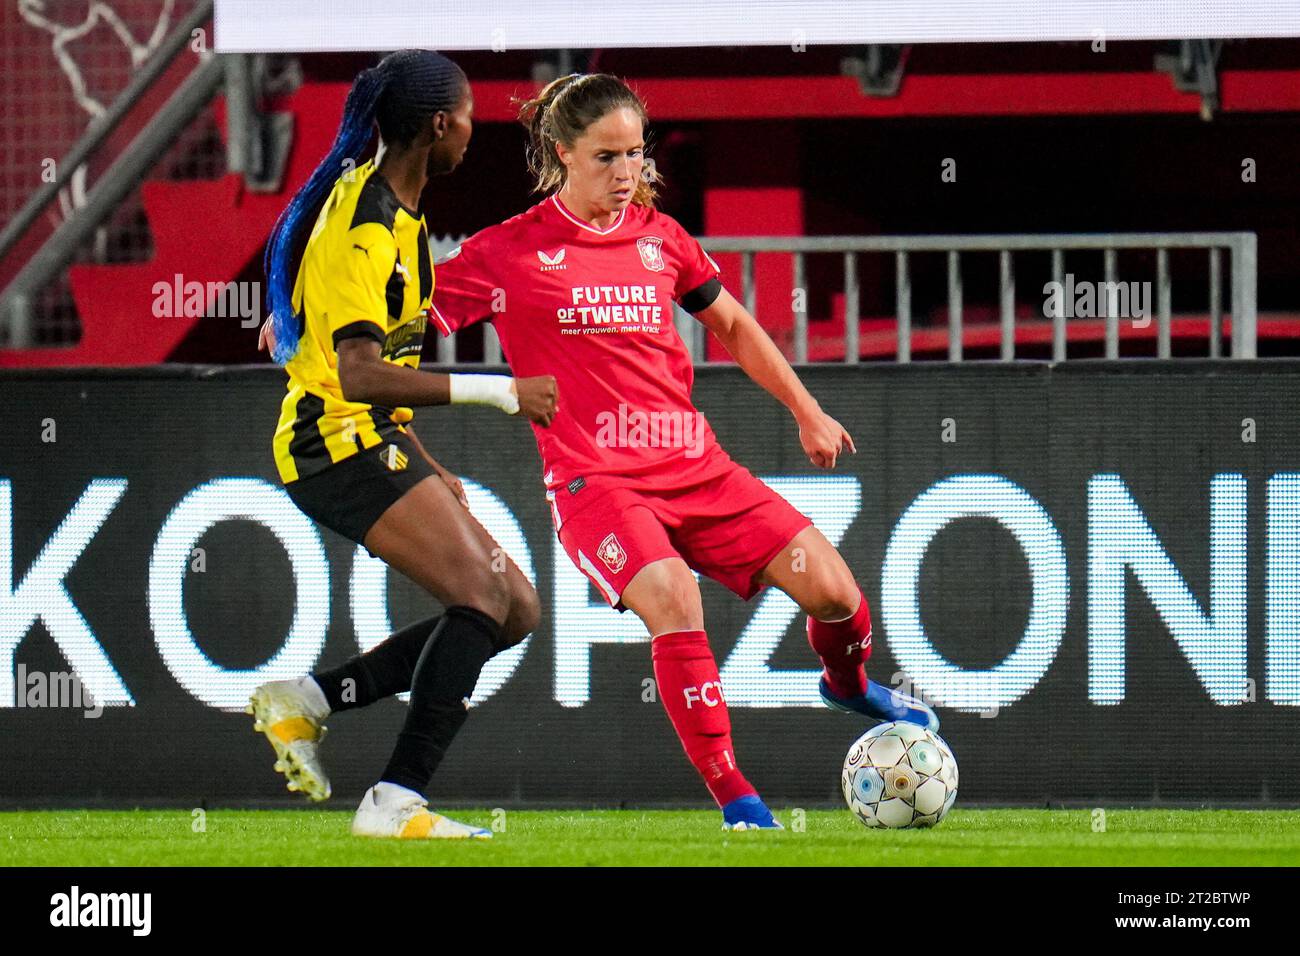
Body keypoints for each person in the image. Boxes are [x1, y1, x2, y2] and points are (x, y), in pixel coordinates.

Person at [429, 73, 938, 831]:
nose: (626, 171)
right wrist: (308, 324)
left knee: (835, 594)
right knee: (674, 600)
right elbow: (399, 317)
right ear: (563, 152)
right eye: (607, 157)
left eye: (636, 153)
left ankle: (848, 682)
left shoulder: (660, 238)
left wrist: (808, 410)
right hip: (594, 482)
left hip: (698, 471)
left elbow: (733, 325)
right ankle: (738, 798)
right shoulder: (507, 252)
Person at [249, 50, 558, 839]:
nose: (473, 139)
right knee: (486, 598)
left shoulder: (398, 211)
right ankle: (394, 804)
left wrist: (428, 465)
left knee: (514, 606)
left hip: (370, 440)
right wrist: (501, 391)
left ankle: (311, 701)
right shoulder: (370, 222)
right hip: (332, 445)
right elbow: (358, 374)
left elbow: (353, 347)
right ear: (440, 125)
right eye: (470, 124)